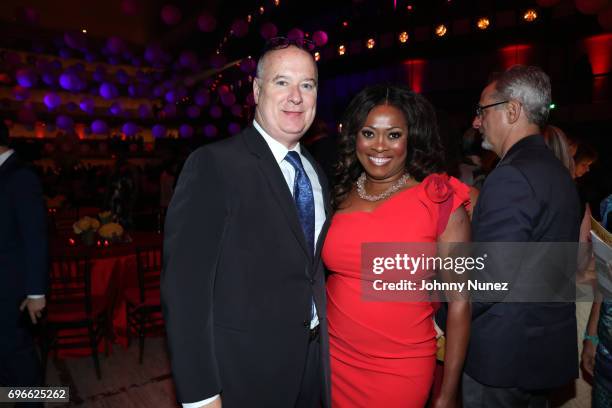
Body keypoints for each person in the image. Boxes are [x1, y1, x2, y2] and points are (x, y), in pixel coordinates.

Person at [161, 37, 331, 408]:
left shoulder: (318, 173)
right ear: (256, 90)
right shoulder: (213, 165)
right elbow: (185, 291)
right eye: (282, 82)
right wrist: (200, 393)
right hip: (245, 373)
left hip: (313, 367)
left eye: (307, 84)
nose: (296, 96)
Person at [322, 84, 471, 407]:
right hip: (333, 359)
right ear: (354, 138)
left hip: (400, 367)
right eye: (368, 132)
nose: (379, 146)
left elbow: (461, 304)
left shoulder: (439, 199)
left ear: (411, 139)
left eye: (393, 135)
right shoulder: (338, 194)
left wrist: (447, 392)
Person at [464, 65, 581, 407]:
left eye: (482, 110)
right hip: (538, 352)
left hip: (502, 358)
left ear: (512, 110)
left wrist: (441, 313)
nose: (476, 122)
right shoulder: (556, 172)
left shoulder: (512, 176)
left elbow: (488, 278)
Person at [0, 119, 48, 404]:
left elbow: (35, 236)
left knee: (19, 360)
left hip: (12, 289)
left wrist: (35, 293)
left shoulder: (20, 175)